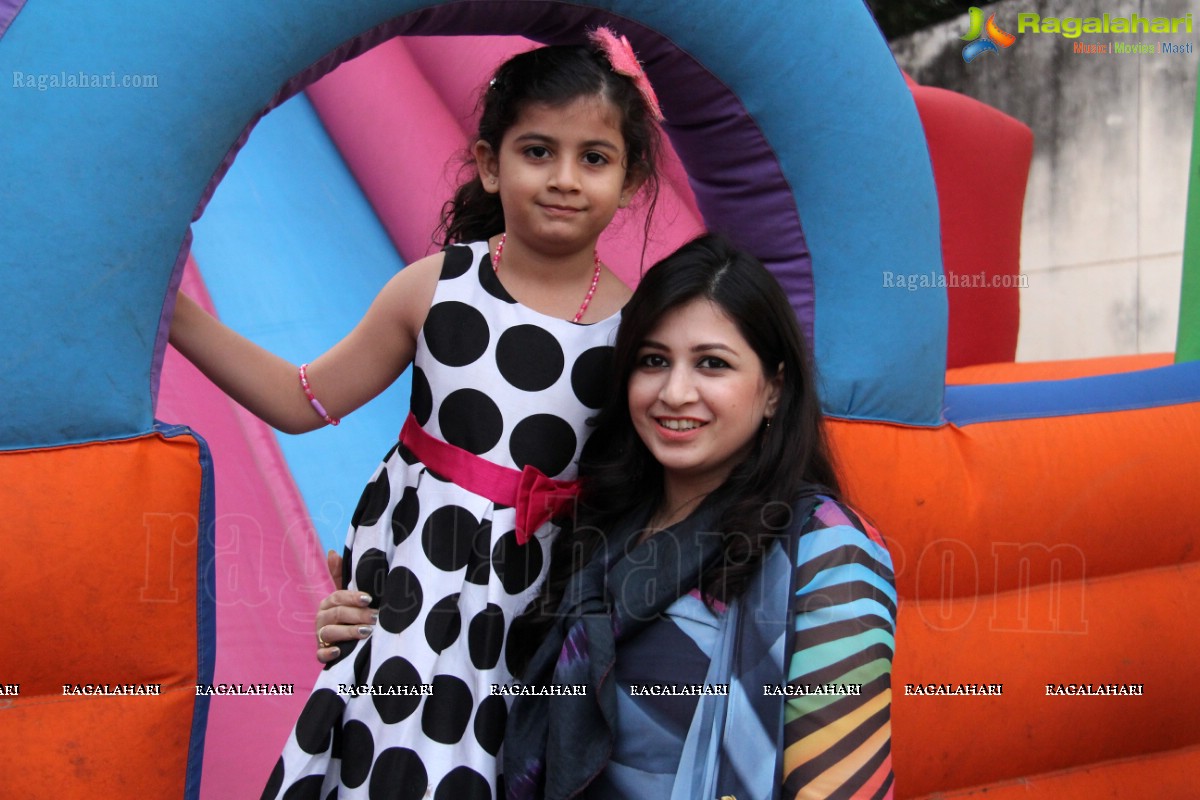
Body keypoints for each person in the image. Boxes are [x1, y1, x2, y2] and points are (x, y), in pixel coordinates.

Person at [169, 31, 665, 800]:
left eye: (594, 159)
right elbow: (303, 401)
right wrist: (176, 308)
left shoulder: (638, 333)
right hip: (408, 605)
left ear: (631, 180)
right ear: (490, 163)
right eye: (538, 151)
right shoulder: (436, 288)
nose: (565, 178)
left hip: (533, 629)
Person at [499, 235, 897, 799]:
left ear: (774, 391)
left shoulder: (825, 551)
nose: (675, 391)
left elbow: (841, 786)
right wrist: (375, 624)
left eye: (712, 364)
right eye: (653, 361)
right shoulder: (598, 526)